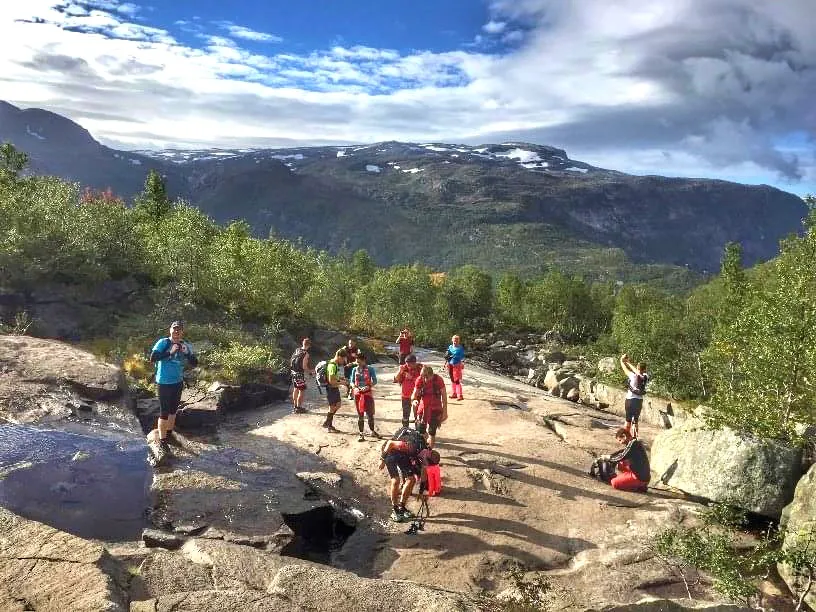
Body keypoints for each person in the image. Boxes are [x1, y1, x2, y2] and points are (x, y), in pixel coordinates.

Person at [149, 321, 198, 454]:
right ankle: (163, 440)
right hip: (163, 382)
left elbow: (195, 363)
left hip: (177, 382)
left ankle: (169, 434)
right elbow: (153, 358)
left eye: (179, 330)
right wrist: (170, 352)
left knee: (173, 410)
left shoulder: (185, 345)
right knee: (164, 412)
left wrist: (187, 353)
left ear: (182, 332)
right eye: (174, 329)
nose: (176, 332)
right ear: (170, 330)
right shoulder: (163, 342)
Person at [378, 428, 440, 522]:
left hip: (403, 454)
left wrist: (421, 492)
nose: (425, 466)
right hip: (390, 450)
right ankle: (394, 510)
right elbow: (390, 443)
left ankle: (401, 507)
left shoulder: (425, 453)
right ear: (424, 458)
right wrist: (382, 459)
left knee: (411, 479)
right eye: (425, 464)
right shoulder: (412, 447)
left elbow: (423, 475)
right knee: (396, 480)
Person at [596, 428, 651, 492]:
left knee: (614, 483)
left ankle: (639, 486)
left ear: (624, 436)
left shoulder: (633, 444)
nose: (620, 443)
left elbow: (621, 456)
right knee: (620, 464)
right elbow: (622, 452)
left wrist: (609, 458)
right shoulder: (634, 442)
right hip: (642, 474)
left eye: (620, 440)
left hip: (639, 477)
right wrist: (610, 456)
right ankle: (632, 481)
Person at [411, 365, 448, 449]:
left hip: (435, 408)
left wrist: (445, 412)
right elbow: (414, 395)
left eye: (427, 377)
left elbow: (444, 397)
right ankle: (424, 448)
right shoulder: (420, 379)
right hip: (423, 408)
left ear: (431, 375)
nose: (425, 379)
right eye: (423, 377)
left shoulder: (438, 380)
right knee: (421, 430)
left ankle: (429, 450)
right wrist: (414, 400)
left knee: (432, 431)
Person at [350, 353, 380, 441]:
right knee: (360, 415)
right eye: (357, 362)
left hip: (367, 394)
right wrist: (354, 387)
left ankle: (372, 431)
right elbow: (352, 381)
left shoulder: (370, 369)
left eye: (359, 362)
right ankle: (361, 434)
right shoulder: (354, 369)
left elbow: (375, 381)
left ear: (364, 361)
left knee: (370, 415)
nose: (358, 364)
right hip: (358, 395)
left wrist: (368, 386)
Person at [620, 353, 649, 438]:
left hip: (630, 400)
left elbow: (625, 369)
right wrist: (628, 362)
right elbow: (638, 371)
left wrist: (622, 361)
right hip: (639, 401)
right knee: (635, 421)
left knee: (628, 420)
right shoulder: (646, 376)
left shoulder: (632, 376)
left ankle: (626, 438)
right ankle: (635, 438)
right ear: (645, 369)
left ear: (637, 367)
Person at [322, 348, 347, 433]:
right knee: (332, 407)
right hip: (331, 389)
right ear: (339, 357)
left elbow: (334, 378)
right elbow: (331, 381)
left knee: (338, 405)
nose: (344, 361)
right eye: (343, 359)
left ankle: (327, 422)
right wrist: (342, 383)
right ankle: (329, 425)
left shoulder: (335, 364)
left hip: (334, 388)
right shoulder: (332, 365)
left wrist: (339, 378)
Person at [394, 353, 422, 428]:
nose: (408, 366)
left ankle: (418, 431)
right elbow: (396, 379)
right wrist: (400, 371)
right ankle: (405, 429)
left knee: (418, 414)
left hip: (416, 395)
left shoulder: (420, 368)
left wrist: (412, 377)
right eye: (407, 364)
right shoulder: (404, 368)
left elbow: (424, 381)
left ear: (414, 363)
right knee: (405, 414)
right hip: (405, 395)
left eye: (410, 364)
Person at [290, 338, 314, 414]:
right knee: (302, 390)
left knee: (295, 389)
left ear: (303, 343)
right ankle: (299, 408)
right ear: (309, 345)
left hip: (293, 372)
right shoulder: (306, 354)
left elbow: (291, 360)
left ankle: (295, 406)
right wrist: (310, 372)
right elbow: (304, 366)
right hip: (299, 374)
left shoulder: (297, 350)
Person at [445, 334, 465, 400]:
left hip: (457, 365)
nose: (455, 341)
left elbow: (462, 357)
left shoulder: (460, 348)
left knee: (457, 380)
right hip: (450, 364)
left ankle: (460, 395)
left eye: (457, 340)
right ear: (452, 340)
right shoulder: (450, 347)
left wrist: (462, 363)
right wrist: (447, 362)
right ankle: (454, 393)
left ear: (459, 341)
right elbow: (447, 355)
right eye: (454, 339)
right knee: (452, 379)